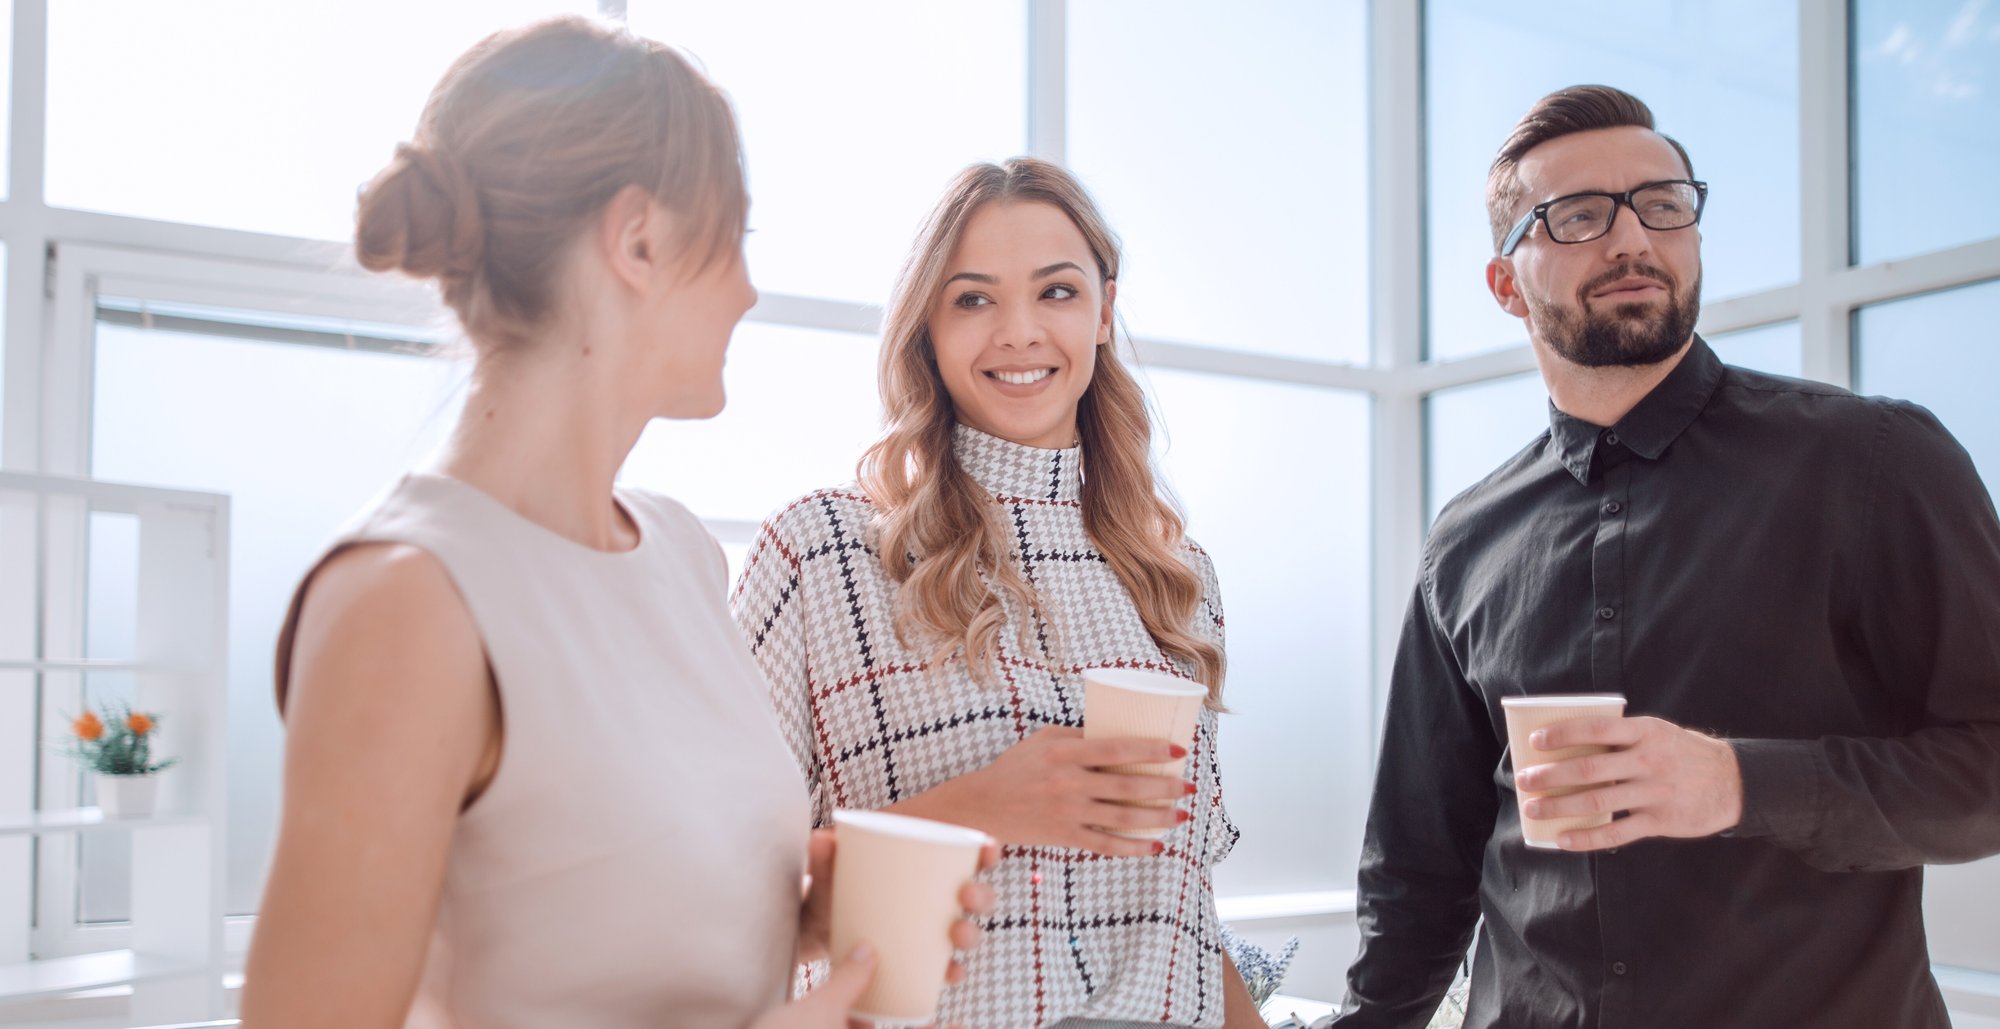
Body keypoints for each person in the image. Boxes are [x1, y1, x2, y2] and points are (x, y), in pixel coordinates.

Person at [240, 17, 990, 1027]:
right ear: (638, 240)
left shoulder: (676, 554)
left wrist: (787, 914)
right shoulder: (405, 600)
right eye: (737, 239)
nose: (748, 289)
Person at [1334, 84, 2000, 1028]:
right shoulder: (1465, 540)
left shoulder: (1879, 462)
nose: (1631, 240)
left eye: (1663, 203)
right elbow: (1418, 862)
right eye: (1576, 217)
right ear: (1506, 284)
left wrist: (1741, 783)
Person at [731, 157, 1263, 1029]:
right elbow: (720, 882)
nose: (1019, 332)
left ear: (1103, 312)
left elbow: (1189, 918)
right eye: (973, 299)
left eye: (1056, 292)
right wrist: (980, 804)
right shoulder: (822, 551)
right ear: (927, 330)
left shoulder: (1177, 577)